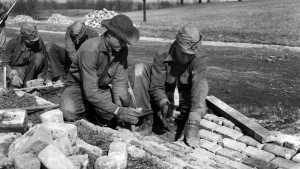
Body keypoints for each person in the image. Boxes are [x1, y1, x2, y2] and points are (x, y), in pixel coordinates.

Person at [132, 24, 208, 148]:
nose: (187, 57)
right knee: (139, 68)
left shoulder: (199, 58)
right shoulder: (163, 53)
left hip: (185, 98)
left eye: (190, 54)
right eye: (184, 53)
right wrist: (164, 105)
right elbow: (156, 86)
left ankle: (183, 123)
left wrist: (194, 122)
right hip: (165, 95)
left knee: (200, 104)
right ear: (176, 44)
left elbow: (199, 88)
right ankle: (147, 119)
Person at [60, 14, 141, 129]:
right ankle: (90, 110)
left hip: (101, 88)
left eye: (125, 42)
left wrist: (121, 110)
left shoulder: (122, 50)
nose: (124, 45)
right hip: (78, 87)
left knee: (114, 116)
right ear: (110, 34)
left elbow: (120, 82)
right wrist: (117, 110)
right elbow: (91, 91)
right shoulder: (90, 49)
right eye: (121, 41)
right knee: (69, 111)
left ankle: (96, 110)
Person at [1, 23, 47, 88]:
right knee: (15, 87)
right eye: (30, 40)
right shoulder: (12, 43)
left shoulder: (39, 41)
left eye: (34, 40)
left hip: (31, 69)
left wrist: (41, 77)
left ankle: (28, 85)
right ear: (22, 37)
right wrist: (12, 75)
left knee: (39, 56)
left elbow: (45, 63)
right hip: (17, 70)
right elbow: (4, 64)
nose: (33, 42)